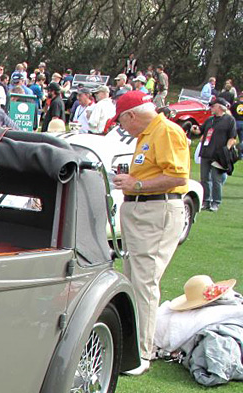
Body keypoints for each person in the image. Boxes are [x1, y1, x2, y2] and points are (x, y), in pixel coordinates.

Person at [110, 90, 190, 375]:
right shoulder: (147, 135)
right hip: (141, 210)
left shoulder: (166, 131)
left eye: (122, 121)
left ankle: (142, 354)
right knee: (133, 279)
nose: (123, 128)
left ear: (131, 115)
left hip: (156, 211)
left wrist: (138, 186)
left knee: (144, 282)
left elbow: (179, 176)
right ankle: (134, 348)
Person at [197, 98, 238, 212]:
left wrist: (226, 149)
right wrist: (193, 128)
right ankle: (206, 201)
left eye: (213, 106)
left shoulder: (229, 120)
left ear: (220, 107)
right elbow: (199, 131)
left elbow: (232, 138)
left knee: (216, 180)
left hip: (219, 155)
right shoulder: (210, 120)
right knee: (204, 179)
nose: (211, 108)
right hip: (206, 152)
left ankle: (216, 202)